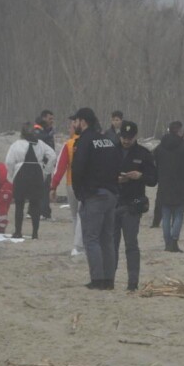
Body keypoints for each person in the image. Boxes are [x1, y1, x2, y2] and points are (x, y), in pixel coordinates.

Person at [70, 107, 122, 289]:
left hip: (94, 195)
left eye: (75, 121)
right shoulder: (106, 140)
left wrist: (80, 193)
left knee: (91, 239)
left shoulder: (84, 141)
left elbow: (77, 169)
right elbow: (118, 164)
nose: (74, 125)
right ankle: (109, 280)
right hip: (111, 194)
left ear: (83, 121)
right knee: (107, 239)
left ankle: (97, 279)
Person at [113, 121, 158, 291]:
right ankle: (109, 278)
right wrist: (116, 179)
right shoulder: (112, 151)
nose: (126, 141)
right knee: (111, 244)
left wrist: (140, 175)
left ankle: (133, 282)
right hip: (113, 202)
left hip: (132, 205)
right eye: (123, 137)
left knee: (131, 244)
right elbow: (100, 174)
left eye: (129, 138)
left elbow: (154, 179)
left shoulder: (144, 154)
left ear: (135, 137)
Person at [153, 121, 184, 252]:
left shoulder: (161, 147)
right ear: (179, 131)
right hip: (181, 185)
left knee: (166, 214)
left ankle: (167, 243)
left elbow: (153, 158)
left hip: (164, 184)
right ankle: (174, 241)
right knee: (178, 214)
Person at [4, 123, 56, 239]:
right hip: (36, 174)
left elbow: (9, 162)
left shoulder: (16, 145)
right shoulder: (41, 144)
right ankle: (35, 233)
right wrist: (46, 171)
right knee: (35, 204)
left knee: (19, 204)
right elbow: (52, 156)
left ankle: (18, 232)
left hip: (21, 174)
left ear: (22, 132)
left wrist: (11, 175)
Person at [50, 116, 85, 256]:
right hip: (86, 185)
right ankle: (80, 244)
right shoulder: (88, 142)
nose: (69, 130)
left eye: (70, 127)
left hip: (71, 184)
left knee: (75, 216)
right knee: (82, 215)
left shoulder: (69, 144)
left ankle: (77, 245)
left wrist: (53, 186)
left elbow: (60, 168)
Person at [151, 121, 183, 229]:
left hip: (163, 176)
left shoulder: (162, 144)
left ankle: (156, 222)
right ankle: (174, 222)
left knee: (160, 200)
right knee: (177, 202)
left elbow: (154, 156)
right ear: (178, 130)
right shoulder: (181, 145)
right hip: (178, 176)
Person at [35, 110, 56, 220]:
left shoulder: (48, 131)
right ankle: (43, 213)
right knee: (43, 187)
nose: (52, 121)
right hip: (41, 163)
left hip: (48, 162)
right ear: (43, 118)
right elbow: (40, 144)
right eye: (49, 118)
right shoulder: (38, 130)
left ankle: (41, 211)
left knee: (43, 187)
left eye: (52, 119)